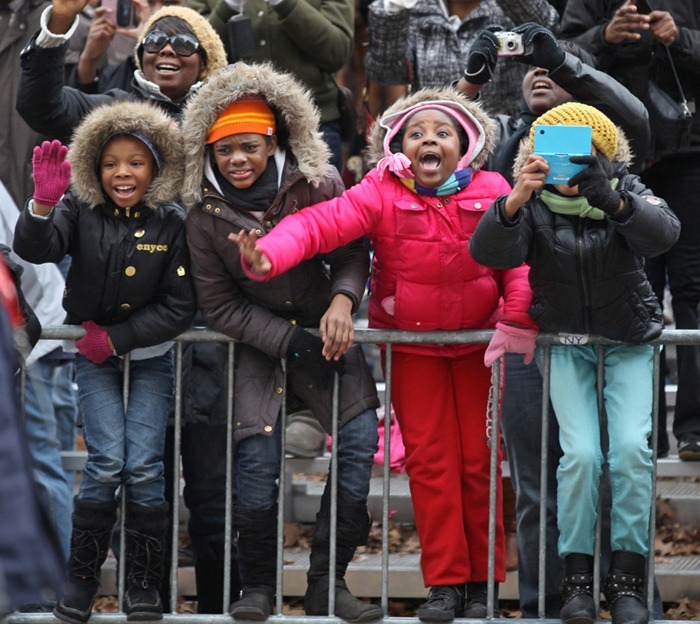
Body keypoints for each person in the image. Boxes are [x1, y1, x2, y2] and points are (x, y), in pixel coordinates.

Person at [232, 85, 536, 621]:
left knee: (478, 463)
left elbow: (517, 263)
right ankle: (445, 583)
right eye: (416, 133)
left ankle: (482, 581)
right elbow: (318, 225)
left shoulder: (493, 189)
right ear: (398, 146)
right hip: (414, 347)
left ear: (465, 146)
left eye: (443, 133)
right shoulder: (382, 189)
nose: (429, 140)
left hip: (478, 349)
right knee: (431, 464)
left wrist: (515, 317)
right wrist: (268, 255)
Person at [458, 23, 655, 618]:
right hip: (527, 332)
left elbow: (635, 117)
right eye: (530, 70)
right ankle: (551, 604)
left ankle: (626, 596)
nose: (538, 73)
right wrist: (472, 81)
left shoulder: (609, 151)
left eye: (551, 68)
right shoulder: (506, 146)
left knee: (616, 462)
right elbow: (427, 133)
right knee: (549, 481)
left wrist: (567, 62)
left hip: (602, 330)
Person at [181, 61, 382, 623]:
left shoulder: (319, 182)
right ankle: (259, 589)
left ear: (272, 141)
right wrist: (286, 341)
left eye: (248, 146)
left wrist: (344, 301)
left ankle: (327, 584)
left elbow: (351, 251)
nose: (236, 160)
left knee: (360, 446)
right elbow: (218, 304)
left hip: (330, 333)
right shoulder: (203, 215)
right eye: (224, 151)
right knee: (255, 469)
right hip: (257, 344)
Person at [13, 100, 198, 623]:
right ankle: (82, 579)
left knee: (143, 466)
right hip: (92, 360)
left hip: (149, 355)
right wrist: (43, 207)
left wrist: (117, 338)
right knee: (104, 463)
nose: (123, 172)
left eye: (136, 163)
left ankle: (142, 583)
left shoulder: (173, 221)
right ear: (95, 167)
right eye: (112, 162)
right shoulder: (78, 208)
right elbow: (38, 250)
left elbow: (181, 306)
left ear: (157, 168)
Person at [558, 0, 700, 462]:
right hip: (615, 158)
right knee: (635, 288)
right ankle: (646, 433)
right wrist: (605, 35)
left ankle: (693, 429)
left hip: (687, 157)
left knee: (691, 288)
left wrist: (680, 37)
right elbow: (559, 53)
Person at [15, 0, 228, 144]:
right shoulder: (113, 110)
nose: (167, 49)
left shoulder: (224, 117)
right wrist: (58, 24)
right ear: (142, 55)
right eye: (154, 40)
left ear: (205, 62)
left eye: (184, 43)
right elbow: (42, 109)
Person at [189, 0, 354, 172]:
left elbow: (337, 53)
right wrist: (228, 7)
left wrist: (285, 4)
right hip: (233, 125)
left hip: (314, 125)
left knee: (319, 195)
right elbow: (193, 54)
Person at [363, 0, 560, 121]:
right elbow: (386, 72)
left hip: (504, 142)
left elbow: (548, 29)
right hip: (438, 140)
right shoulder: (418, 9)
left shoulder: (511, 8)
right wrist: (394, 8)